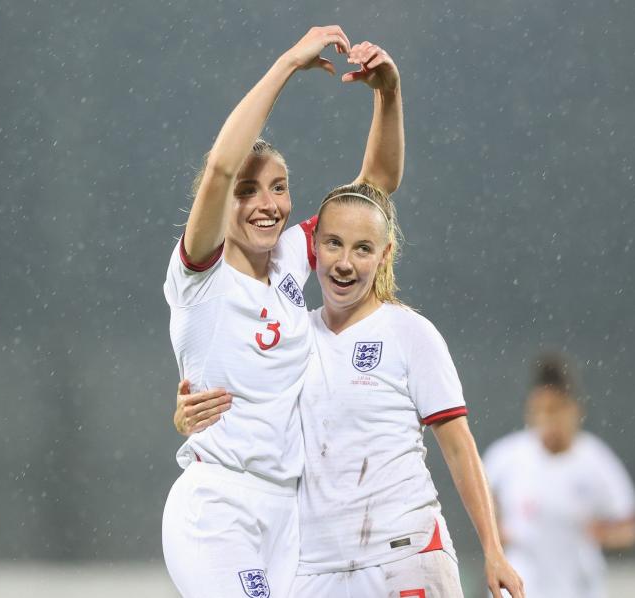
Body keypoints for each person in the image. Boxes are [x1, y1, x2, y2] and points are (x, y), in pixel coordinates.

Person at [176, 184, 524, 597]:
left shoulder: (410, 333)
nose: (344, 263)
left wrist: (493, 550)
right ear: (314, 250)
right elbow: (245, 411)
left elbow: (457, 446)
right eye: (333, 244)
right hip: (313, 570)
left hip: (404, 555)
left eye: (362, 249)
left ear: (384, 255)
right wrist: (186, 415)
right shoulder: (291, 337)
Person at [161, 26, 404, 598]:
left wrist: (388, 94)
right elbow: (221, 166)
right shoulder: (202, 275)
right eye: (249, 191)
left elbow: (375, 191)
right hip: (220, 506)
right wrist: (288, 66)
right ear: (223, 204)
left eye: (278, 188)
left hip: (292, 513)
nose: (268, 205)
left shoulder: (294, 257)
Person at [482, 354, 635, 598]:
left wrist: (605, 534)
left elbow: (630, 526)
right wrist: (494, 532)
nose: (547, 420)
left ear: (573, 409)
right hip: (523, 585)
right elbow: (481, 500)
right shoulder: (505, 457)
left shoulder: (596, 461)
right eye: (539, 411)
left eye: (554, 410)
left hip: (578, 587)